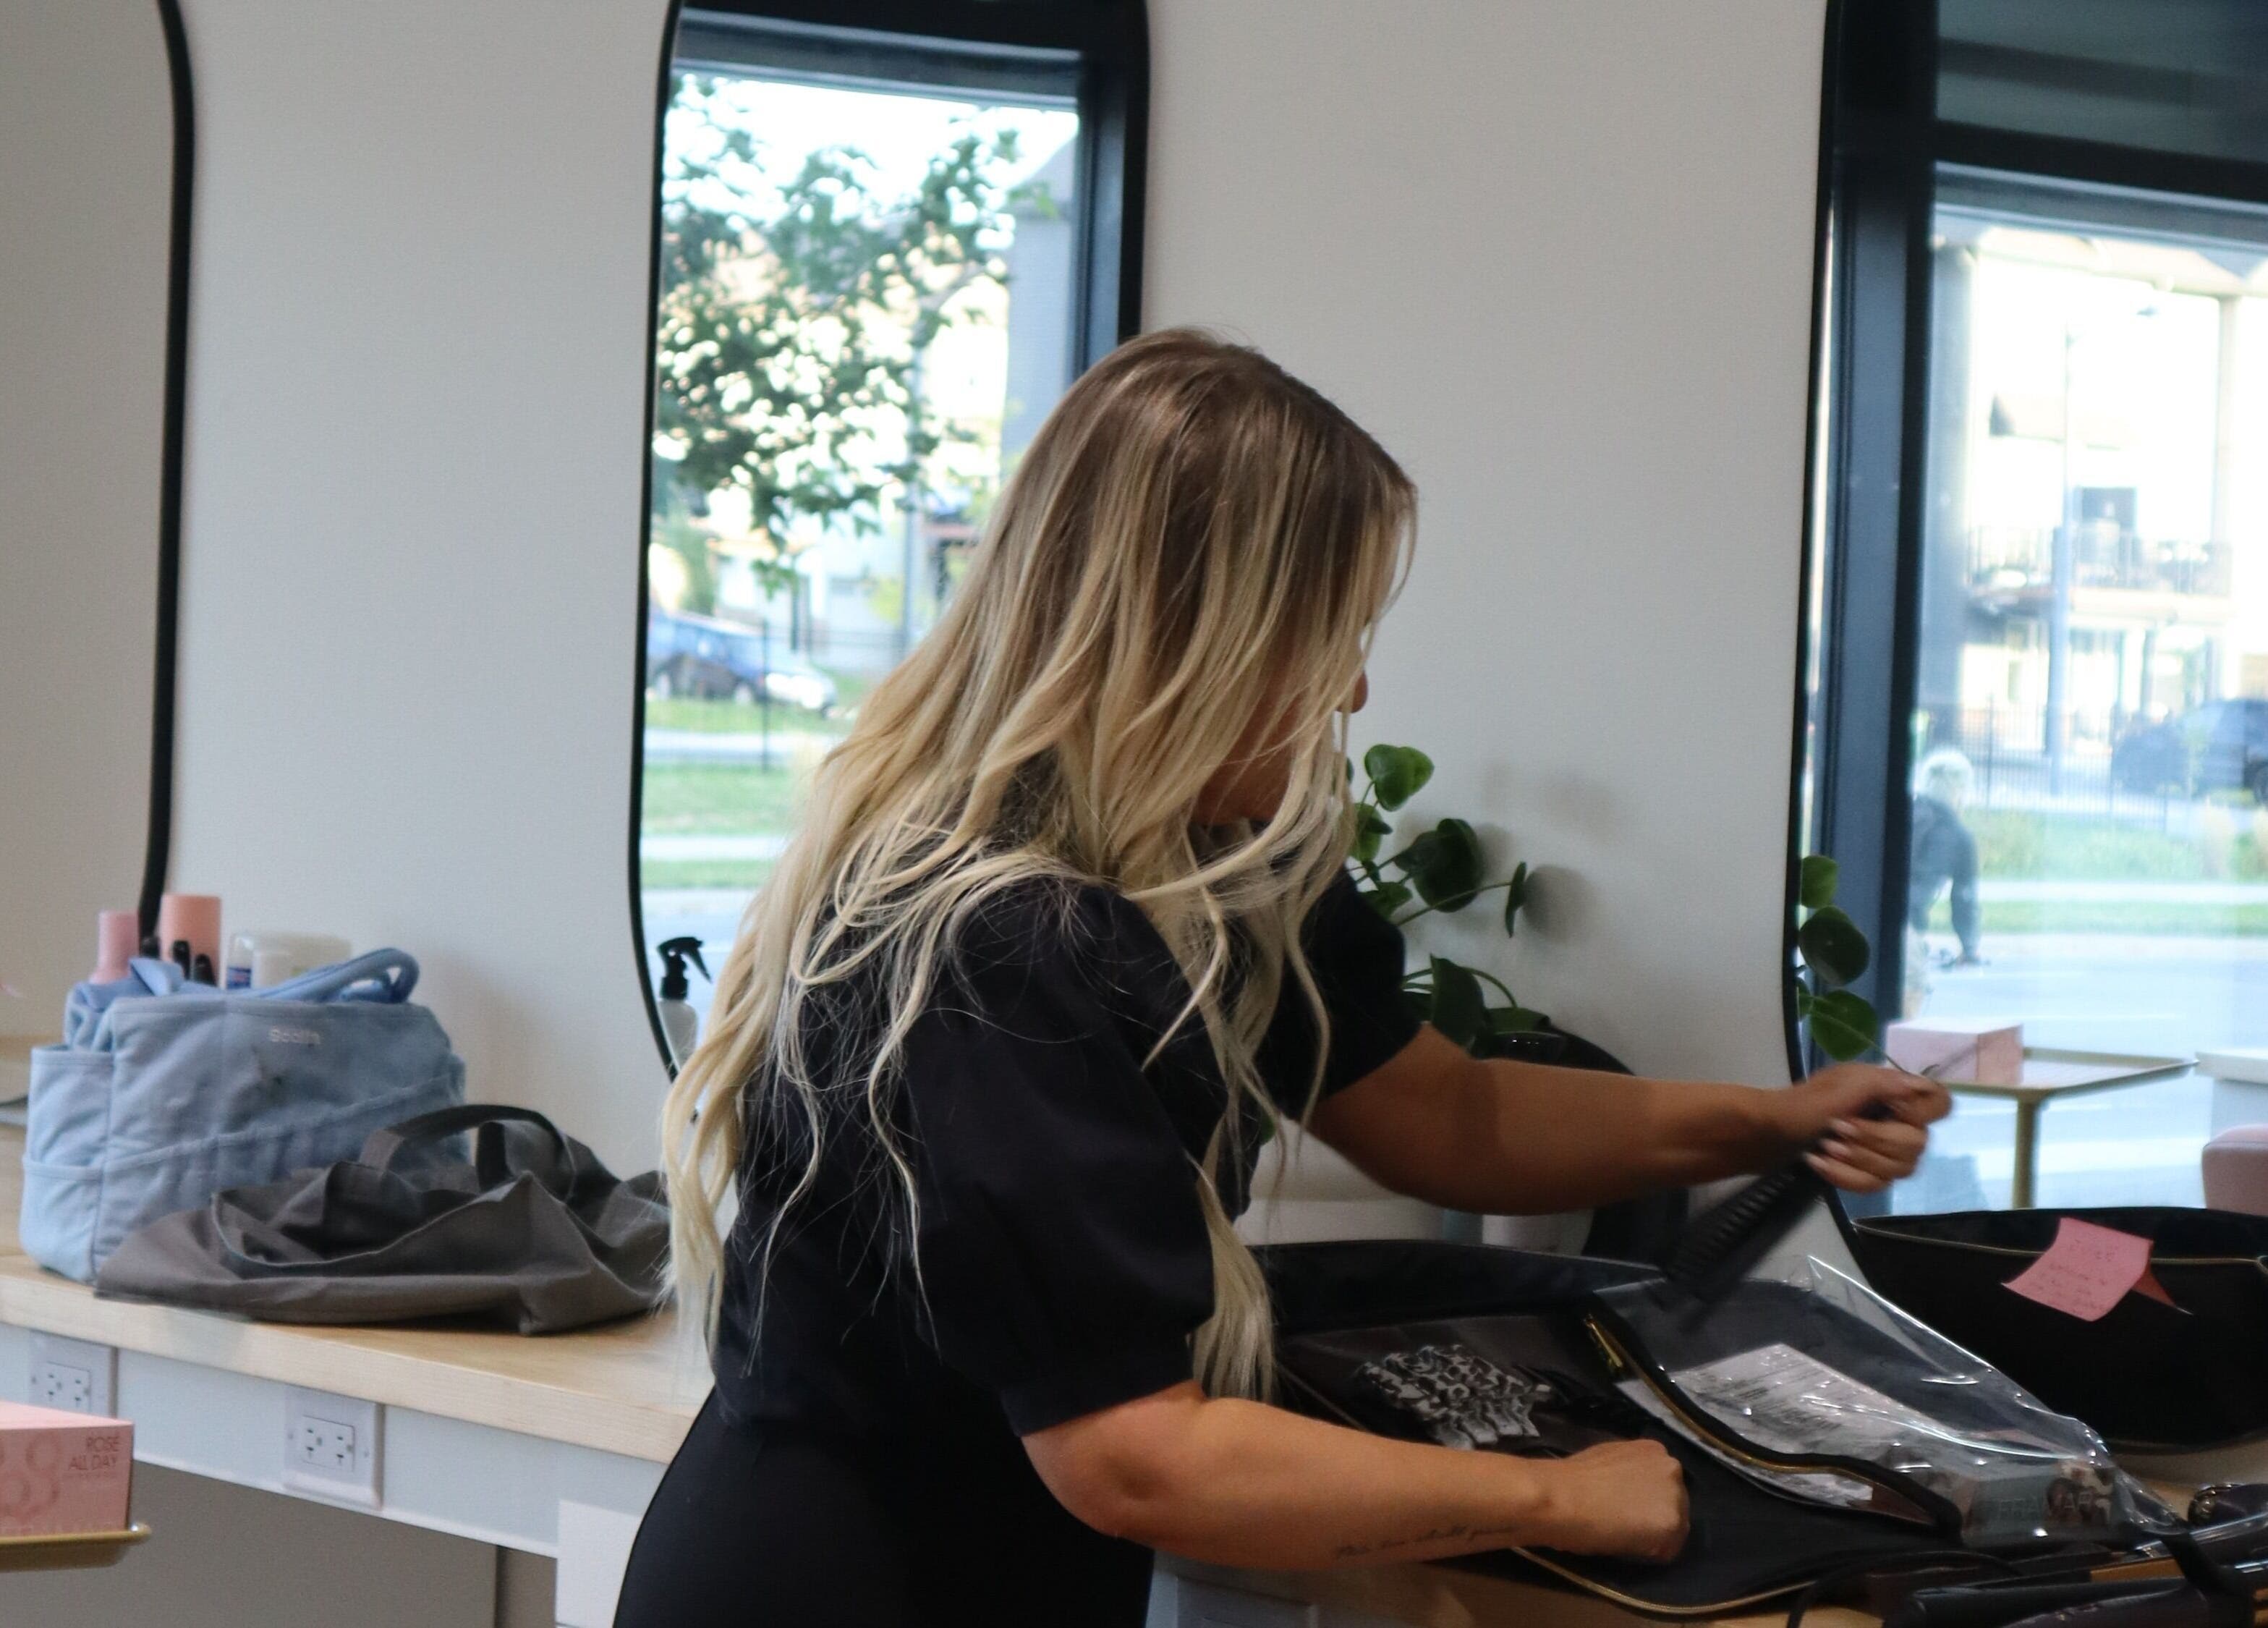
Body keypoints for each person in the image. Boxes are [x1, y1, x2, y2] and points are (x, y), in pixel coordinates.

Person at [613, 330, 1948, 1628]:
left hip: (998, 1561)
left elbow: (1448, 1115)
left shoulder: (1212, 859)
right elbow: (1137, 1458)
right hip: (849, 1577)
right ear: (1196, 634)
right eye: (1330, 635)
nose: (1356, 688)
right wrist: (1559, 1500)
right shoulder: (1001, 942)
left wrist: (1767, 1121)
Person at [1909, 747, 1982, 967]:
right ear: (1959, 790)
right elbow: (1965, 899)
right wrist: (1969, 948)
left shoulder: (1903, 814)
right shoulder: (1959, 836)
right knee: (1913, 988)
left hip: (1867, 918)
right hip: (1908, 928)